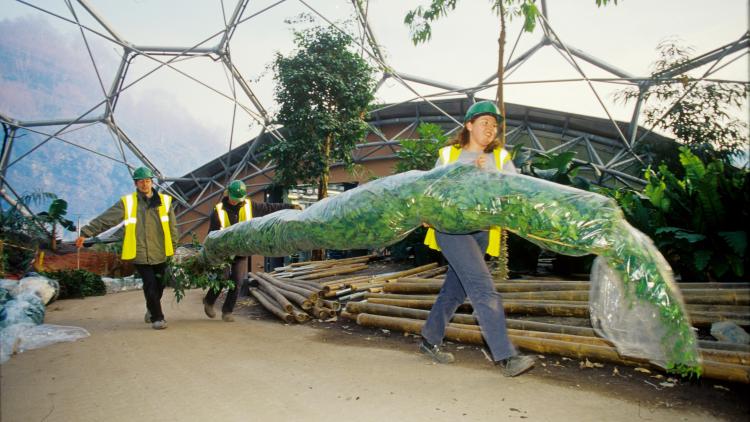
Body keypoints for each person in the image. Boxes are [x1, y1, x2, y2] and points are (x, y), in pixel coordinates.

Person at [420, 101, 536, 377]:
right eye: (485, 122)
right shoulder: (448, 155)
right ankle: (506, 356)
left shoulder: (500, 158)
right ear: (469, 125)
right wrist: (425, 211)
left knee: (456, 290)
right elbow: (428, 188)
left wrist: (490, 175)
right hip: (450, 230)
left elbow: (514, 190)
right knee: (484, 288)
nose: (491, 128)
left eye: (494, 125)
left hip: (481, 232)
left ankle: (428, 338)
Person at [76, 167, 178, 330]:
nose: (144, 184)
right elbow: (107, 219)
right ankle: (158, 318)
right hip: (138, 251)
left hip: (160, 251)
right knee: (150, 283)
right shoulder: (128, 202)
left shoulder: (165, 202)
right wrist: (86, 232)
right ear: (135, 184)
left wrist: (173, 247)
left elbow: (173, 227)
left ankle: (151, 308)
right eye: (140, 182)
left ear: (152, 182)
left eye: (147, 181)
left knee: (159, 284)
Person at [202, 179, 300, 322]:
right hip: (223, 252)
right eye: (234, 198)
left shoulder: (249, 205)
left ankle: (227, 311)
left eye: (238, 199)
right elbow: (211, 234)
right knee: (222, 278)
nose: (236, 201)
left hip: (241, 251)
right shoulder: (218, 210)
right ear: (228, 193)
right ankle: (209, 301)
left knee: (237, 280)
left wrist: (290, 206)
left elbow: (269, 207)